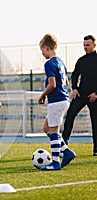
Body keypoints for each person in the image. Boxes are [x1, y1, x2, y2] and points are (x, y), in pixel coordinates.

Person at [38, 33, 76, 170]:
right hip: (64, 99)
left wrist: (42, 95)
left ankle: (55, 163)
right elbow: (65, 81)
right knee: (47, 128)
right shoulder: (60, 61)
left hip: (56, 101)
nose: (42, 53)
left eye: (42, 50)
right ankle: (66, 151)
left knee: (53, 132)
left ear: (46, 48)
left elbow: (52, 84)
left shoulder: (49, 63)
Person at [62, 35, 97, 156]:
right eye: (84, 45)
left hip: (94, 96)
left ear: (94, 45)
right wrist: (75, 89)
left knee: (95, 122)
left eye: (88, 45)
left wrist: (96, 93)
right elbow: (75, 76)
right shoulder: (81, 60)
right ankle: (63, 144)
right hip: (81, 94)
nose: (86, 47)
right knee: (70, 115)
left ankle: (96, 148)